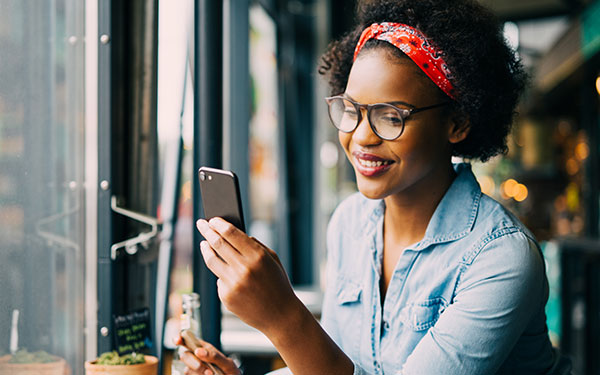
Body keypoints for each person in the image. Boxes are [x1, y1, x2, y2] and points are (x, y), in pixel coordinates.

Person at [178, 0, 559, 373]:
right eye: (351, 110)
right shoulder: (350, 222)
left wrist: (283, 318)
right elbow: (339, 364)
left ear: (456, 124)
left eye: (390, 117)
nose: (360, 137)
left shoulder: (500, 259)